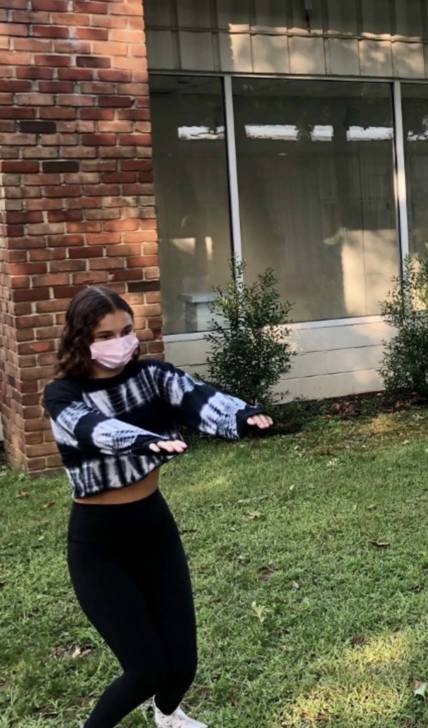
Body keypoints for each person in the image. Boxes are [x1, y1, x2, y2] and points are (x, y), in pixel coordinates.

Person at [44, 286, 273, 727]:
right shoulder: (63, 395)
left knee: (182, 662)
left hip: (153, 528)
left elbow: (196, 397)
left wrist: (239, 414)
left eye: (126, 331)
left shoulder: (151, 376)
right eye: (106, 334)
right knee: (146, 668)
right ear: (82, 340)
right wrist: (144, 440)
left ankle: (167, 718)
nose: (120, 342)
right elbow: (95, 429)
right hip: (99, 543)